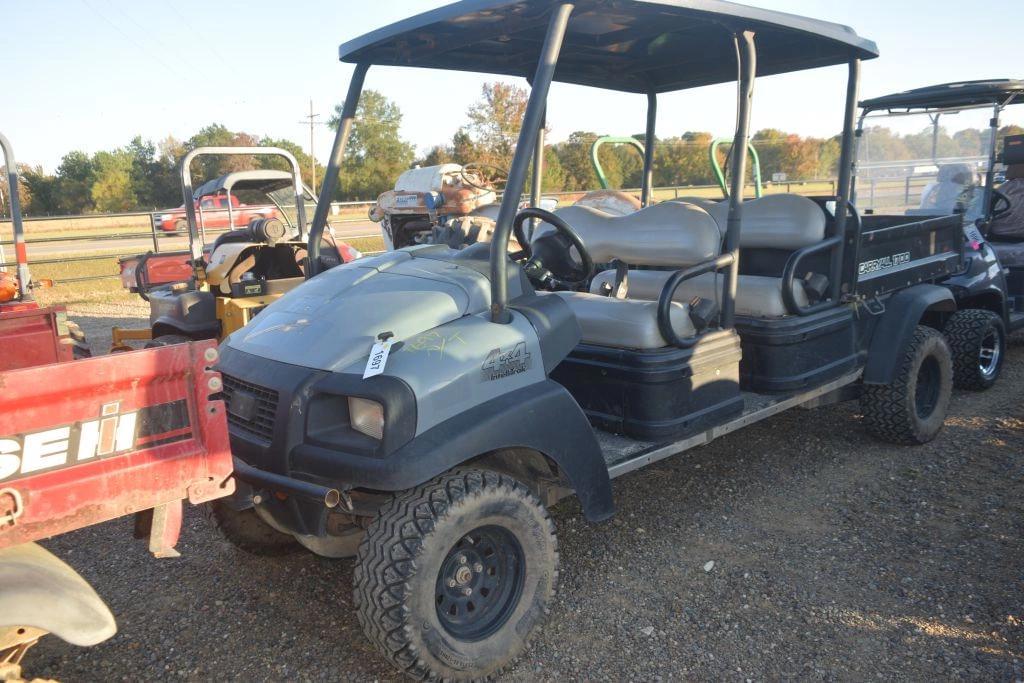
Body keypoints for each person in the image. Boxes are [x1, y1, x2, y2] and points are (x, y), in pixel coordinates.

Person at [988, 164, 1024, 241]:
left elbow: (983, 211)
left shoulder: (1006, 188)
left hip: (995, 240)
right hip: (1015, 244)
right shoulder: (1007, 187)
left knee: (972, 241)